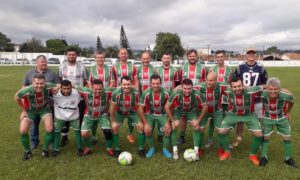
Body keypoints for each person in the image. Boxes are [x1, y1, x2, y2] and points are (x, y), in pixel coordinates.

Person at [218, 77, 263, 166]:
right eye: (234, 87)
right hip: (233, 115)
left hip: (249, 115)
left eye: (239, 86)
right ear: (231, 87)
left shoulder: (252, 90)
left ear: (243, 85)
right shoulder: (227, 91)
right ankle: (227, 152)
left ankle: (252, 155)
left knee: (259, 135)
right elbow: (214, 84)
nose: (237, 89)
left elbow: (265, 86)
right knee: (221, 132)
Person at [15, 74, 59, 160]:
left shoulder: (48, 86)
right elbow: (16, 97)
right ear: (32, 83)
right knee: (23, 130)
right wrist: (23, 111)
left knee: (49, 128)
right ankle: (27, 151)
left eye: (41, 83)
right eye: (37, 83)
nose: (39, 86)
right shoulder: (26, 90)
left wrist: (56, 88)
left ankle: (45, 150)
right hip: (30, 111)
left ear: (45, 83)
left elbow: (59, 85)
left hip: (44, 110)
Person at [232, 47, 268, 147]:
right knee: (240, 119)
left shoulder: (261, 67)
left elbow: (267, 84)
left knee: (259, 118)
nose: (251, 55)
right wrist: (242, 87)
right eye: (249, 53)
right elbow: (234, 82)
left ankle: (260, 139)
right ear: (246, 55)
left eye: (253, 53)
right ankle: (238, 138)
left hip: (257, 98)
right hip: (243, 99)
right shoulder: (240, 67)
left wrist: (256, 87)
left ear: (256, 55)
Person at [22, 55, 60, 150]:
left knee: (50, 125)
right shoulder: (29, 73)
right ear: (37, 62)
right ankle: (34, 141)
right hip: (32, 105)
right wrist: (25, 95)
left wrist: (56, 88)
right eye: (42, 61)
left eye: (45, 61)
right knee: (34, 125)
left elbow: (58, 84)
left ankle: (50, 142)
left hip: (46, 104)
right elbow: (23, 86)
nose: (44, 63)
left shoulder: (52, 73)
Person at [165, 79, 207, 160]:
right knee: (174, 126)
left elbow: (205, 107)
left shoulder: (197, 93)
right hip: (178, 110)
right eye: (185, 88)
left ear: (192, 87)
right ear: (181, 87)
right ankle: (175, 150)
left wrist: (198, 120)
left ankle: (196, 151)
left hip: (191, 111)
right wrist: (173, 120)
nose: (187, 91)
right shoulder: (176, 93)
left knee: (196, 126)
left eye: (189, 89)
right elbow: (167, 106)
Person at [259, 77, 297, 168]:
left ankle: (288, 158)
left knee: (287, 137)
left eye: (275, 89)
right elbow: (254, 99)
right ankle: (264, 157)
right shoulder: (262, 94)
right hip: (267, 117)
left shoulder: (286, 95)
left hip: (282, 117)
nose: (273, 92)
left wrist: (288, 111)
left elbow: (292, 100)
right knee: (266, 137)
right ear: (267, 88)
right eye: (270, 89)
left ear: (279, 89)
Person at [137, 74, 172, 158]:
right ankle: (151, 148)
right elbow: (140, 109)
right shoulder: (146, 93)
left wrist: (168, 122)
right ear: (150, 84)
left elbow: (171, 108)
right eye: (154, 83)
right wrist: (145, 123)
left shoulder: (166, 93)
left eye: (157, 83)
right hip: (150, 114)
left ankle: (165, 149)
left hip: (162, 114)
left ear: (161, 83)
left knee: (168, 129)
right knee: (147, 130)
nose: (155, 85)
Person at [77, 79, 115, 156]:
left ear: (103, 88)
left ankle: (109, 148)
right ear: (91, 88)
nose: (98, 91)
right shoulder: (86, 91)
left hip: (102, 115)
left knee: (108, 131)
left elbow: (121, 88)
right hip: (89, 116)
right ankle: (88, 147)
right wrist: (58, 86)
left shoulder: (107, 92)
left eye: (100, 89)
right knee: (84, 134)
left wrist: (133, 86)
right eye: (95, 89)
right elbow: (73, 86)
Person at [109, 76, 145, 157]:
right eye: (124, 84)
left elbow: (139, 107)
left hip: (132, 112)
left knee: (141, 127)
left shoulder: (136, 93)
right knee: (114, 128)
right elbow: (111, 108)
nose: (126, 87)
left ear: (131, 84)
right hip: (119, 112)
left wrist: (140, 120)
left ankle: (141, 149)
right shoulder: (116, 93)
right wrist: (113, 121)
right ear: (121, 84)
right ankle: (117, 149)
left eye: (128, 84)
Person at [58, 47, 87, 146]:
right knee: (65, 117)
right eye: (69, 54)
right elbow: (60, 79)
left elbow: (85, 81)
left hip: (79, 97)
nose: (71, 56)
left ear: (76, 56)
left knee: (80, 117)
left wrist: (81, 91)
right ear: (66, 55)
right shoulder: (62, 66)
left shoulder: (82, 67)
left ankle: (82, 137)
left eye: (73, 54)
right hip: (66, 96)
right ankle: (64, 136)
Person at [177, 49, 207, 145]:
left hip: (197, 98)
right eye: (190, 56)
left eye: (194, 56)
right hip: (185, 97)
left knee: (197, 118)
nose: (192, 58)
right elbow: (179, 82)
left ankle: (198, 138)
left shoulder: (202, 68)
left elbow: (204, 82)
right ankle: (182, 137)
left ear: (196, 56)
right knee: (183, 117)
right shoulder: (182, 68)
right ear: (187, 57)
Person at [110, 48, 139, 144]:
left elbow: (135, 80)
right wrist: (115, 93)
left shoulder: (133, 67)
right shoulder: (114, 67)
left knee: (132, 112)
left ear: (127, 55)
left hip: (130, 93)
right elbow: (113, 82)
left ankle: (130, 134)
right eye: (121, 53)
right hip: (119, 95)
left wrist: (137, 90)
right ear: (118, 55)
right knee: (117, 112)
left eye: (125, 53)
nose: (123, 55)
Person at [205, 50, 233, 148]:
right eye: (218, 57)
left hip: (225, 100)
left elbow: (230, 84)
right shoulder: (212, 69)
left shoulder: (230, 70)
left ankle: (225, 141)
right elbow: (208, 82)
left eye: (221, 56)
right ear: (215, 58)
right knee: (212, 120)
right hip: (215, 98)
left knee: (225, 121)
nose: (220, 58)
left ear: (224, 57)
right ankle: (210, 140)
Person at [198, 72, 228, 157]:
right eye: (207, 80)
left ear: (216, 81)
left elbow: (232, 91)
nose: (208, 82)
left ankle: (220, 148)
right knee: (200, 129)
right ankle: (200, 148)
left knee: (220, 130)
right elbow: (188, 85)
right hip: (204, 111)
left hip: (217, 110)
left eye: (211, 81)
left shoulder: (221, 86)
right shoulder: (201, 86)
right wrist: (179, 86)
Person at [137, 52, 162, 143]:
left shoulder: (154, 69)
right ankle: (143, 135)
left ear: (150, 59)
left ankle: (160, 134)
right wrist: (138, 94)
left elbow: (157, 81)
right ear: (141, 59)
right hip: (142, 96)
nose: (145, 60)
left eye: (147, 58)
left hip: (153, 96)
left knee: (158, 113)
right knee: (143, 115)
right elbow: (136, 82)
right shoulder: (137, 69)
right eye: (144, 58)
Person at [52, 80, 82, 157]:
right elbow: (44, 86)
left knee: (78, 131)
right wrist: (58, 86)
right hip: (60, 117)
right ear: (60, 88)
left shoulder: (77, 93)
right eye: (64, 88)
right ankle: (56, 149)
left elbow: (86, 89)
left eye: (68, 88)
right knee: (56, 132)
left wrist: (74, 86)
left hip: (74, 117)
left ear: (71, 87)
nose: (66, 90)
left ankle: (79, 148)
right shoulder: (55, 93)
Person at [88, 51, 112, 145]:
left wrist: (106, 93)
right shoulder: (92, 69)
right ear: (95, 59)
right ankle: (94, 136)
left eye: (101, 57)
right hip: (95, 96)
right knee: (94, 115)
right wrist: (93, 92)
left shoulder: (109, 69)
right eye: (98, 57)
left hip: (105, 96)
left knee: (106, 115)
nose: (99, 59)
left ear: (104, 58)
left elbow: (112, 82)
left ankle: (108, 134)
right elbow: (89, 82)